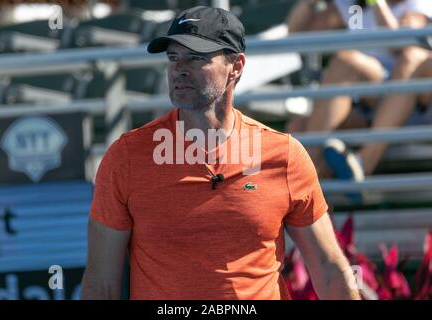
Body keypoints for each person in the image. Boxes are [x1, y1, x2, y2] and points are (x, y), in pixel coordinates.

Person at [81, 6, 360, 300]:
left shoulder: (286, 155)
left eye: (197, 58)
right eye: (173, 57)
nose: (179, 68)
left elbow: (329, 270)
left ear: (236, 66)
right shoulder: (126, 157)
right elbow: (101, 285)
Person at [286, 0, 432, 179]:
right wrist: (308, 4)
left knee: (351, 61)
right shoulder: (353, 6)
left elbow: (399, 44)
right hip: (368, 105)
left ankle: (359, 163)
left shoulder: (418, 5)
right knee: (299, 127)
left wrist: (377, 4)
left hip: (411, 106)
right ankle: (312, 182)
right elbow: (297, 35)